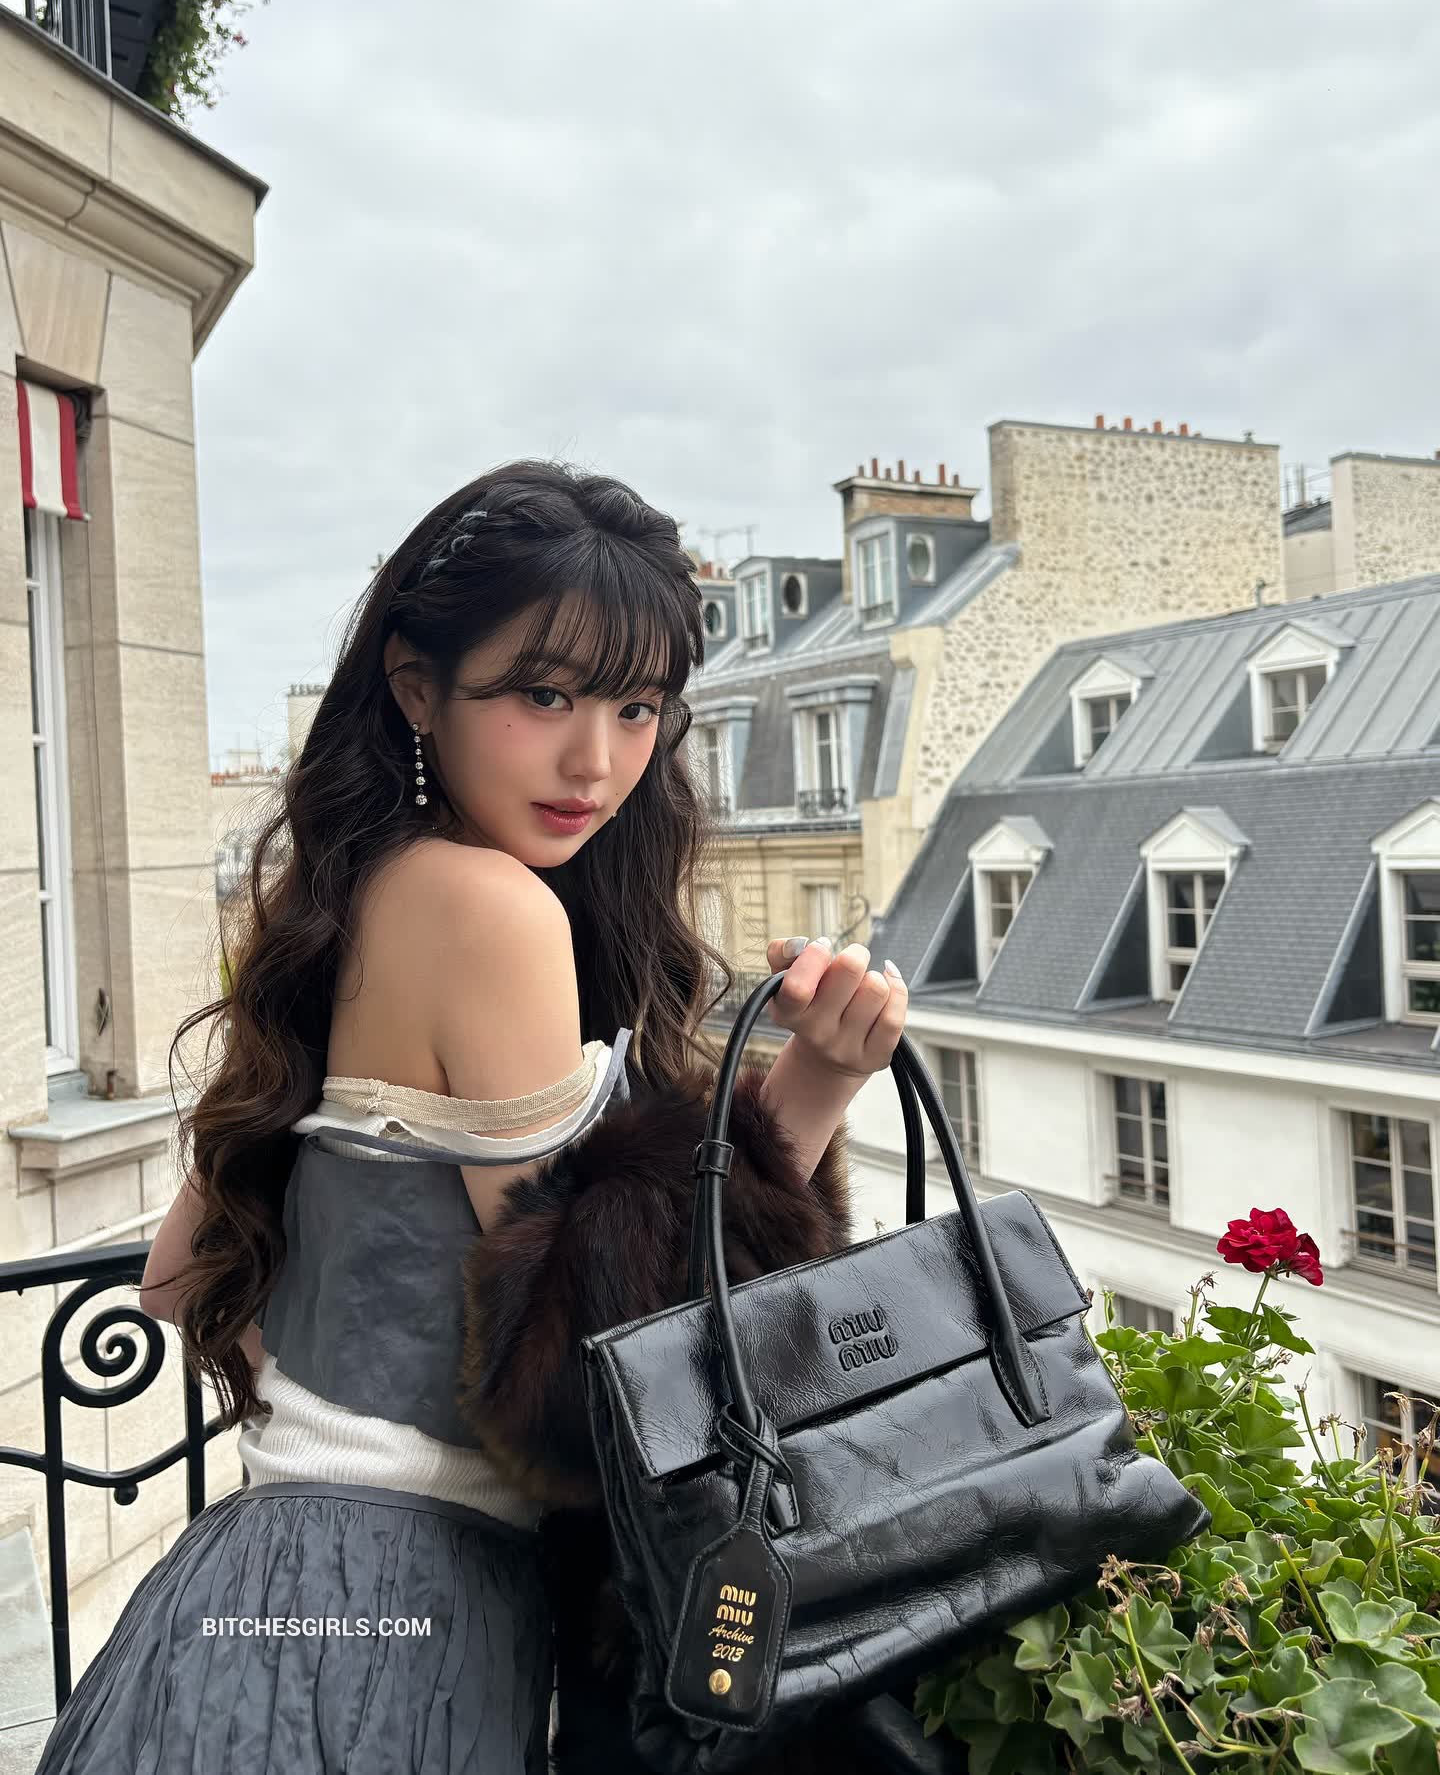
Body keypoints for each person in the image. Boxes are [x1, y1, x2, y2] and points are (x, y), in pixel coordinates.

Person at [31, 459, 911, 1775]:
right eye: (542, 695)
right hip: (390, 1629)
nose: (596, 760)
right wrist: (819, 1083)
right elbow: (613, 1365)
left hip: (259, 1598)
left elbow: (174, 1276)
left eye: (636, 706)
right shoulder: (488, 907)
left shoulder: (350, 896)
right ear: (414, 688)